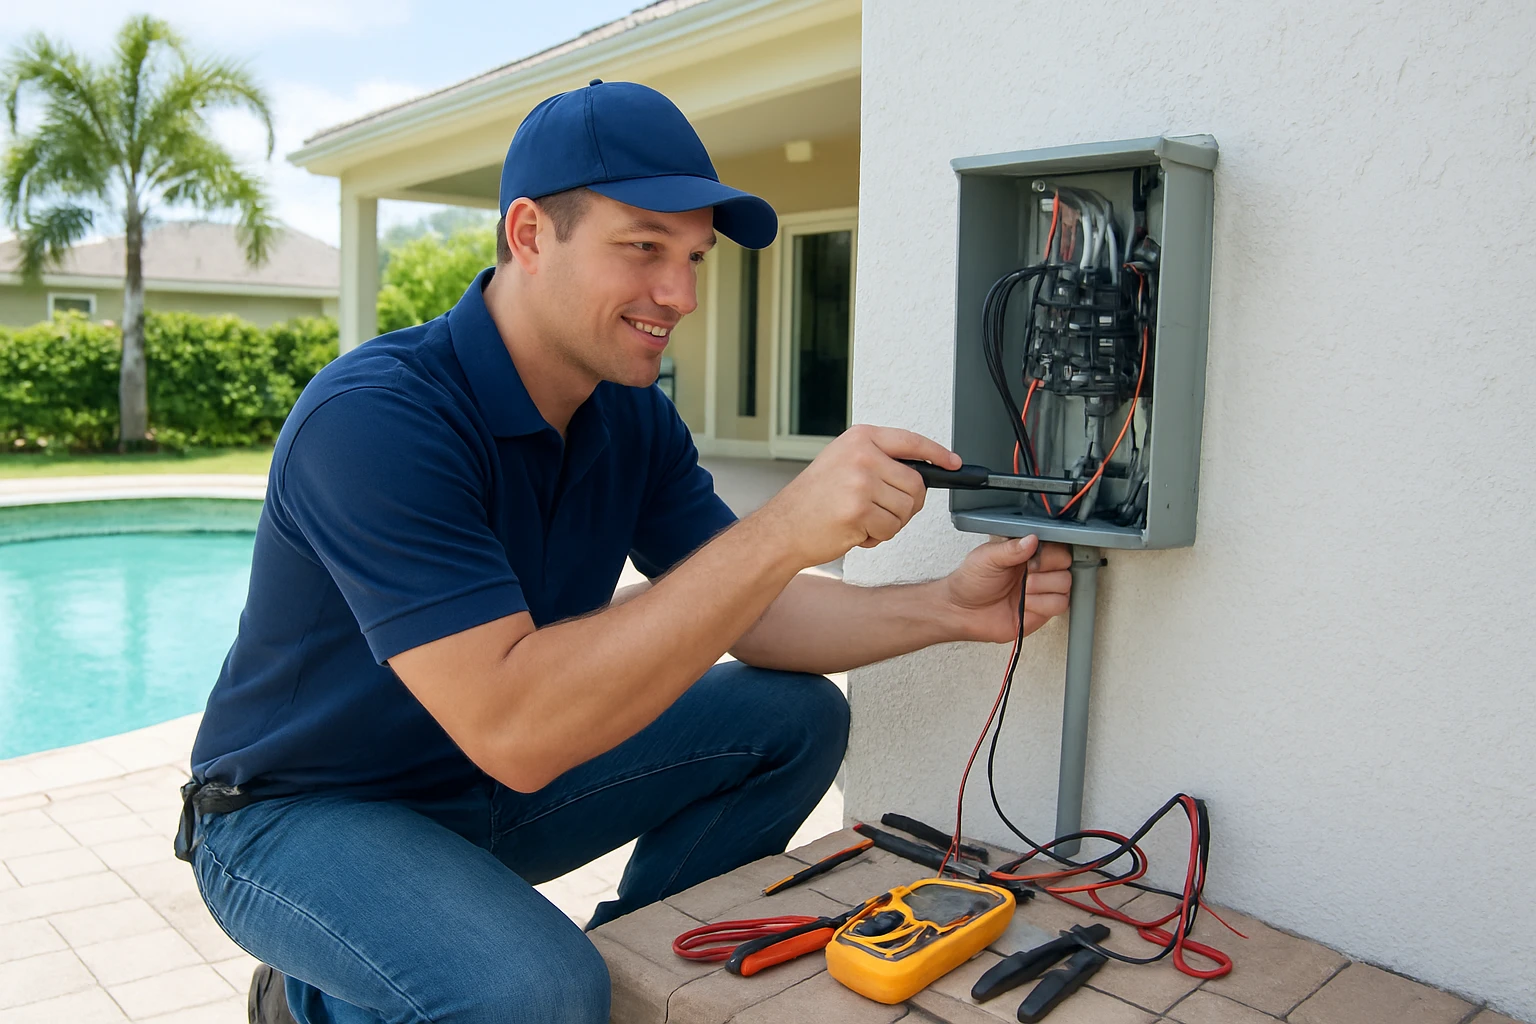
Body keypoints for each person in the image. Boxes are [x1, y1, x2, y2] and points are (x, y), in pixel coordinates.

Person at [177, 80, 1072, 1024]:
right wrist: (785, 525)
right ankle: (314, 997)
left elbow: (753, 611)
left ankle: (636, 977)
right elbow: (519, 730)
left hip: (476, 796)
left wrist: (948, 609)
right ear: (529, 234)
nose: (679, 294)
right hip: (295, 817)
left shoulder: (628, 415)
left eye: (693, 256)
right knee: (533, 990)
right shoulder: (376, 419)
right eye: (643, 247)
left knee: (789, 717)